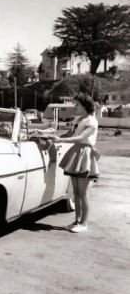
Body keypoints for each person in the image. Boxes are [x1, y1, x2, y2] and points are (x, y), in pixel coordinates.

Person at [54, 93, 100, 233]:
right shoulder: (79, 119)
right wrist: (50, 135)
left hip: (85, 154)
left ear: (85, 106)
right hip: (76, 152)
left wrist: (60, 140)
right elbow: (70, 134)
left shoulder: (91, 121)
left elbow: (80, 137)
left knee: (83, 192)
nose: (75, 107)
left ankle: (83, 223)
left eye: (77, 105)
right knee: (75, 192)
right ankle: (76, 221)